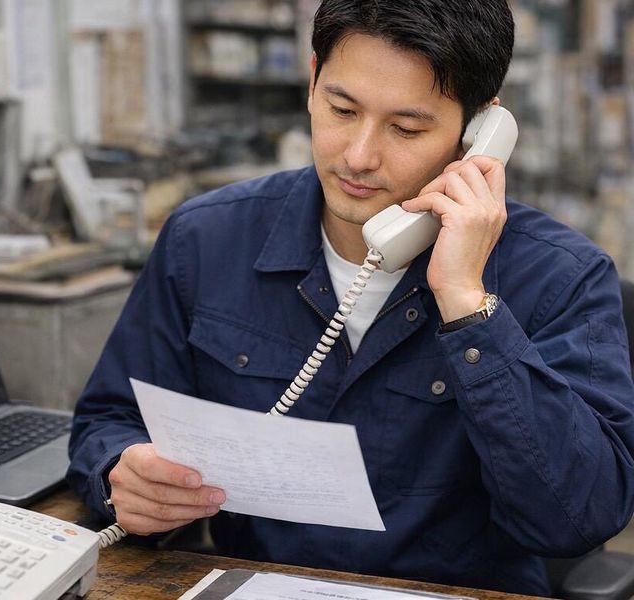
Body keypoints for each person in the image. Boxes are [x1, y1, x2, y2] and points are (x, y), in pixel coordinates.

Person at [67, 0, 634, 594]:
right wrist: (122, 472)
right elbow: (109, 418)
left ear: (478, 136)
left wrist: (468, 303)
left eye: (406, 128)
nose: (358, 156)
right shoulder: (204, 240)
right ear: (312, 80)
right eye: (342, 108)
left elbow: (580, 517)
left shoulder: (561, 276)